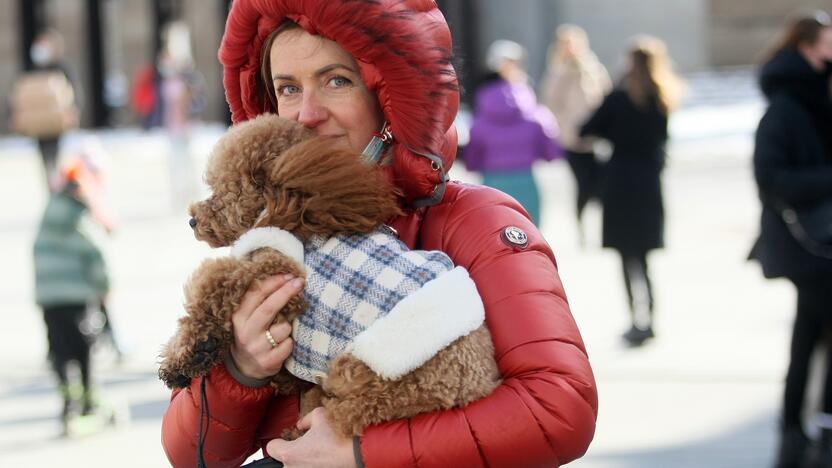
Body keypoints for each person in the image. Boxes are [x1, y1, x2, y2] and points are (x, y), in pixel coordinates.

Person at [161, 2, 597, 467]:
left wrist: (364, 453)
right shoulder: (276, 240)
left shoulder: (474, 221)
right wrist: (241, 370)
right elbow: (192, 455)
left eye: (336, 81)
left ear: (387, 98)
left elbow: (559, 407)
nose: (306, 114)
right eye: (288, 89)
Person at [750, 11, 832, 468]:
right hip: (809, 244)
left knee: (807, 335)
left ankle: (793, 428)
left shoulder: (817, 95)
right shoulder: (787, 106)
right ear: (808, 47)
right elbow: (770, 178)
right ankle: (814, 427)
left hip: (817, 243)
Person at [580, 36, 683, 347]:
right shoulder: (661, 98)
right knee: (645, 257)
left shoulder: (618, 97)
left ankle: (635, 318)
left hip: (621, 180)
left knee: (626, 256)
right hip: (649, 182)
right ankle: (649, 317)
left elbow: (587, 129)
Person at [33, 150, 111, 435]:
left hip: (48, 299)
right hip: (76, 298)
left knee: (60, 351)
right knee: (84, 350)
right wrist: (104, 287)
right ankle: (90, 402)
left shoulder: (48, 214)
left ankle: (68, 404)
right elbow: (95, 253)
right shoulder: (77, 218)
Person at [462, 39, 562, 227]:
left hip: (492, 182)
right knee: (530, 236)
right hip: (525, 178)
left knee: (495, 236)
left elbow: (472, 157)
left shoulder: (481, 113)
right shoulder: (534, 112)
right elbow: (550, 150)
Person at [541, 24, 611, 244]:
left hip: (594, 137)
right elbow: (550, 102)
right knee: (582, 184)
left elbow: (605, 95)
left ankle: (598, 226)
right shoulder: (557, 71)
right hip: (571, 138)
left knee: (599, 184)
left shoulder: (592, 67)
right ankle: (581, 226)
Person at [19, 29, 80, 191]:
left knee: (57, 155)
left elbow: (73, 91)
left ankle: (60, 186)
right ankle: (52, 187)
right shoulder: (30, 68)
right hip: (38, 124)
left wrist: (73, 111)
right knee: (45, 157)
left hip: (56, 123)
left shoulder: (61, 67)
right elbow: (19, 94)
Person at [157, 21, 205, 211]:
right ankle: (178, 197)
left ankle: (191, 195)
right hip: (172, 127)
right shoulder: (167, 79)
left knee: (188, 163)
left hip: (186, 127)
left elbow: (195, 99)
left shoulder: (188, 77)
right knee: (175, 164)